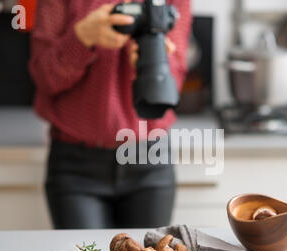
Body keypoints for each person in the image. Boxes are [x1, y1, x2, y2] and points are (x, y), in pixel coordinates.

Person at [29, 0, 192, 229]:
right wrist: (82, 38)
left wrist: (152, 62)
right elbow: (45, 78)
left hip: (150, 161)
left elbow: (172, 85)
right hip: (75, 167)